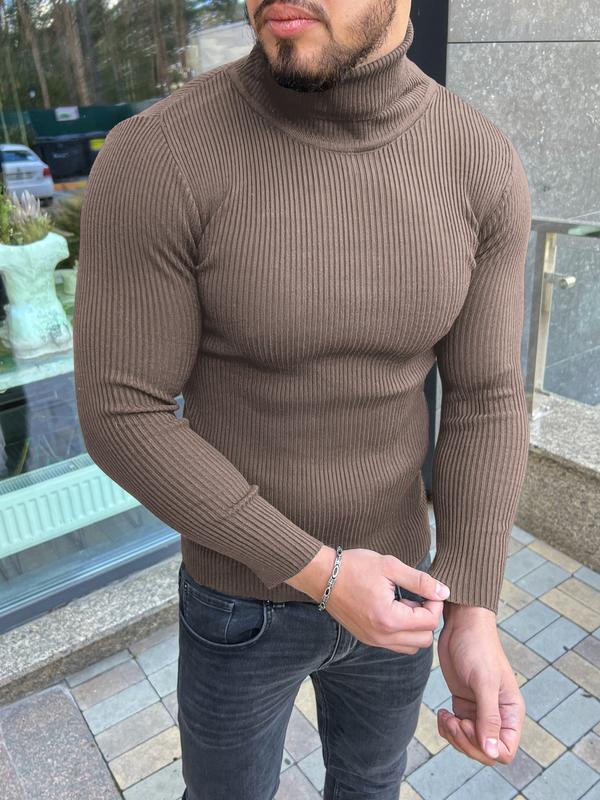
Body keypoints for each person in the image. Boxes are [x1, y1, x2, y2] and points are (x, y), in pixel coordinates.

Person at [73, 1, 531, 797]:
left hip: (405, 587)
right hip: (239, 600)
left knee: (372, 785)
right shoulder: (160, 154)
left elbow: (486, 395)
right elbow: (123, 410)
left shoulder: (479, 160)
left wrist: (472, 605)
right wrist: (320, 573)